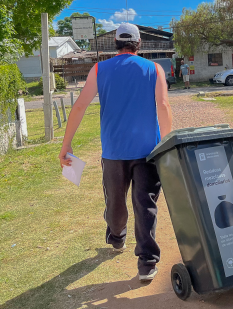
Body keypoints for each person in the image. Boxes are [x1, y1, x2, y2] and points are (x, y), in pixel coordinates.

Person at [59, 23, 173, 281]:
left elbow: (79, 107)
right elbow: (163, 105)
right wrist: (168, 143)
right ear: (139, 43)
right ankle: (147, 263)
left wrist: (66, 145)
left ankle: (117, 234)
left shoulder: (99, 69)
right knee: (146, 205)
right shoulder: (154, 69)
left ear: (115, 43)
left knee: (115, 203)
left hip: (113, 152)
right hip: (148, 151)